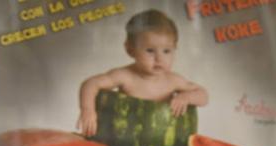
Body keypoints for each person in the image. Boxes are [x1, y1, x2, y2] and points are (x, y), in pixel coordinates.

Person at [76, 9, 208, 137]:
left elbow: (203, 95)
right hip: (124, 139)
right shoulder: (125, 76)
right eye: (150, 50)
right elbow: (90, 84)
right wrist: (87, 110)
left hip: (162, 141)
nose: (159, 58)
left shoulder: (173, 80)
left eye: (166, 51)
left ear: (175, 49)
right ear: (130, 50)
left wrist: (186, 97)